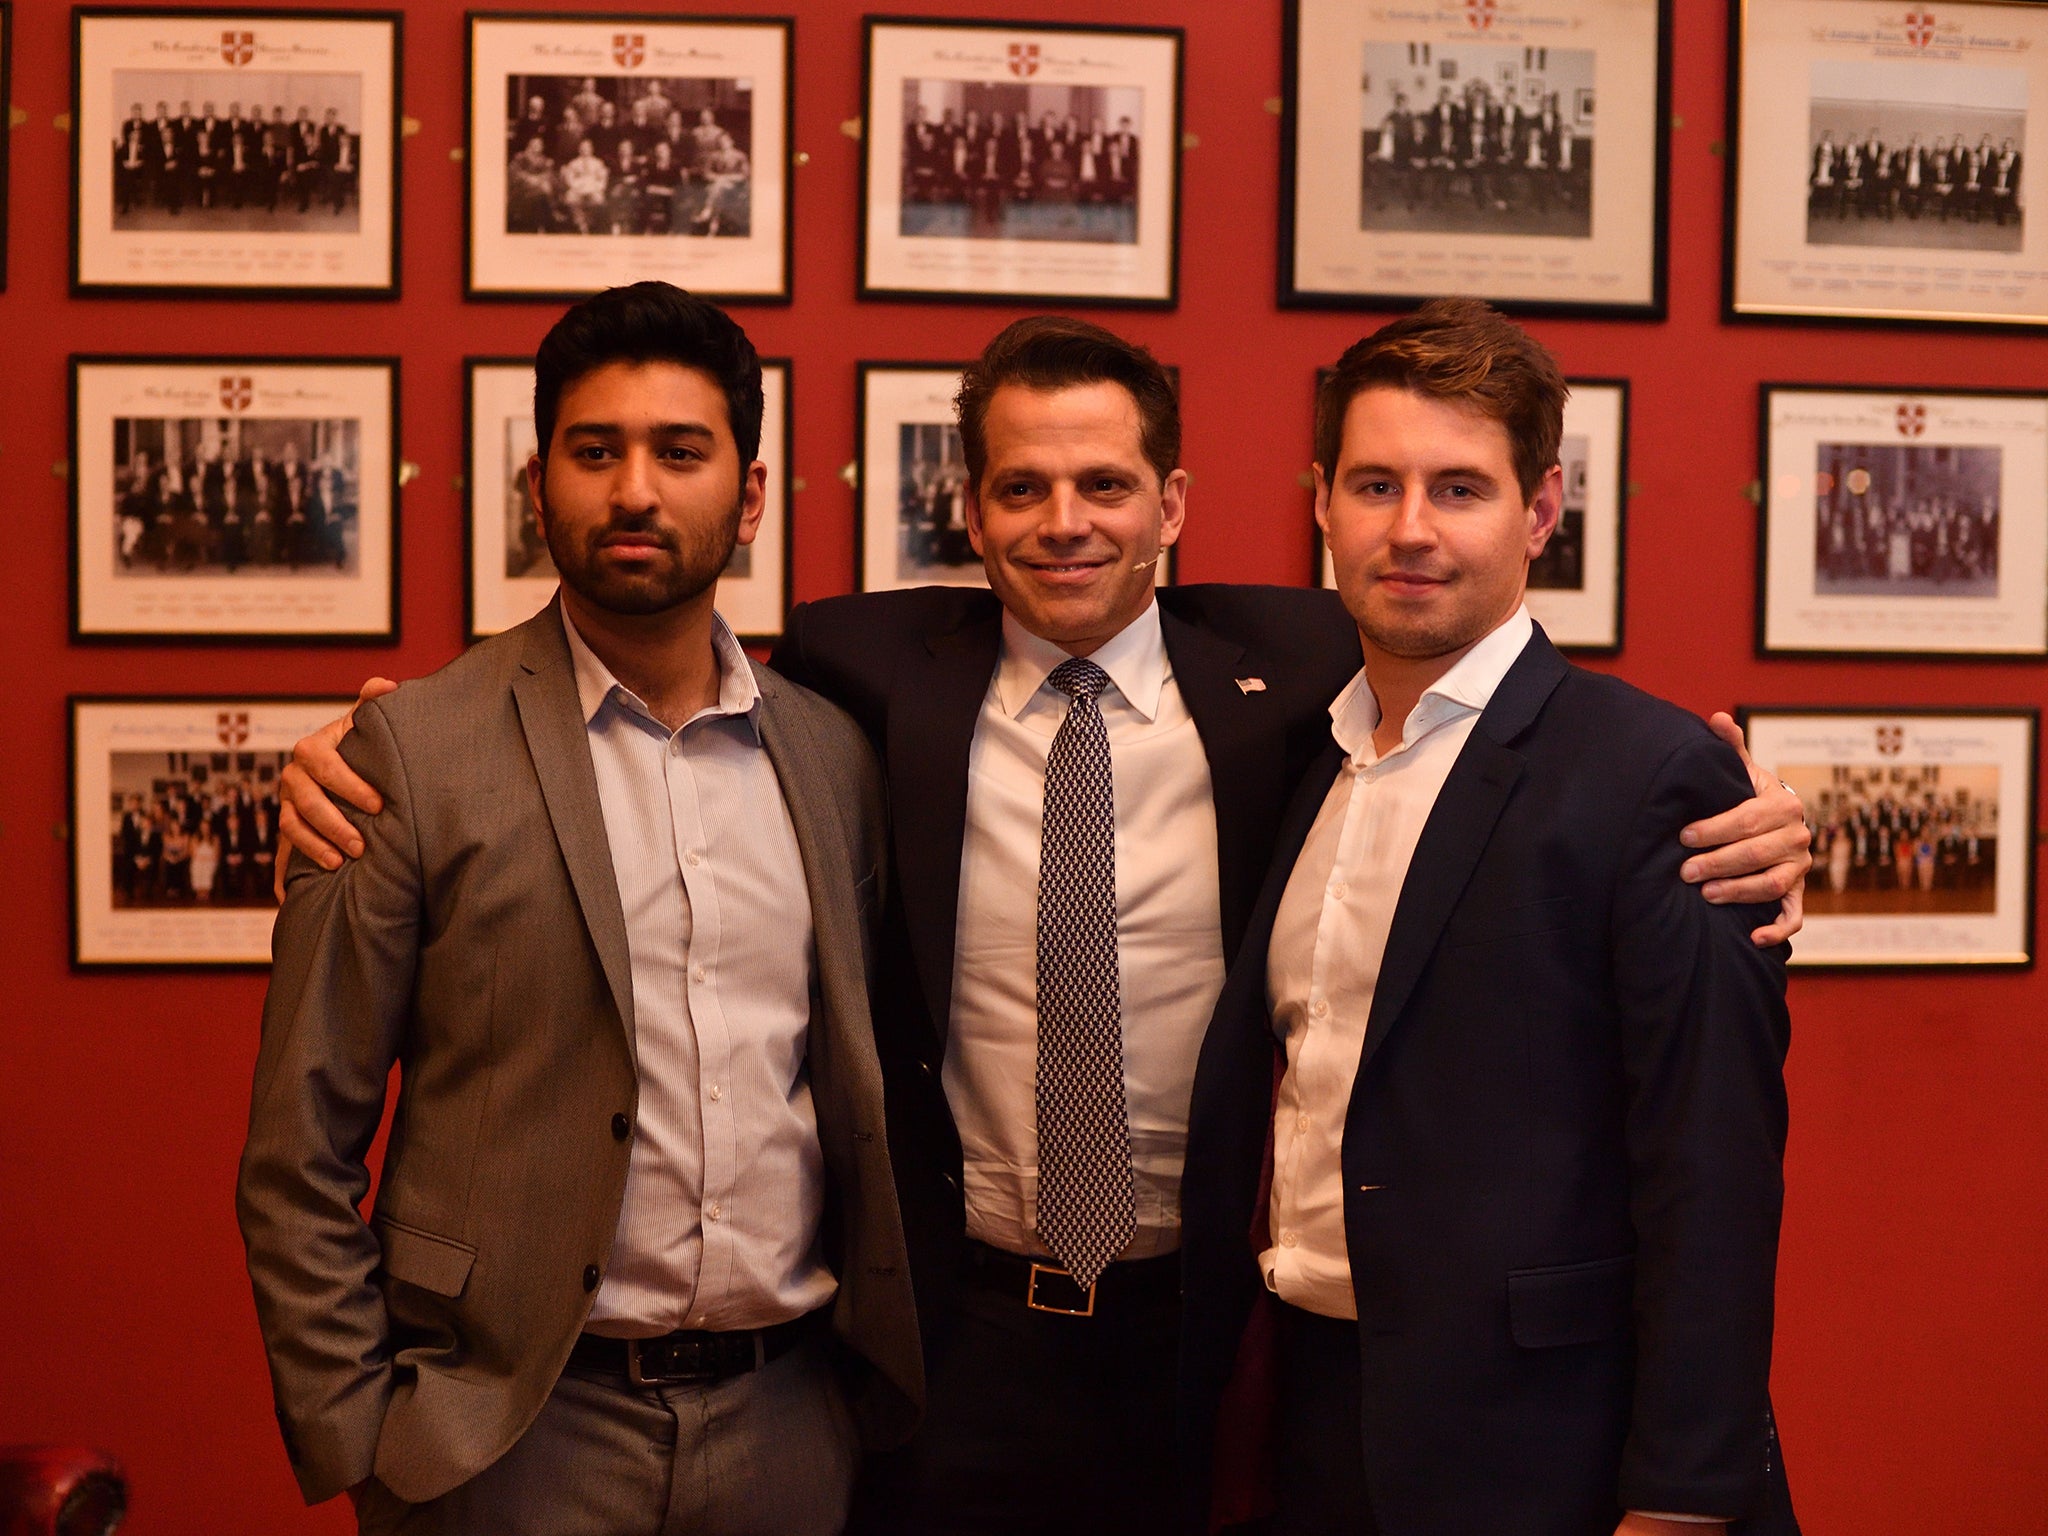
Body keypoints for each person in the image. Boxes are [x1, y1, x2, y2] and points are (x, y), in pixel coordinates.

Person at [277, 311, 1808, 1536]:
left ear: (1179, 506)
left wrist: (1736, 804)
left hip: (1213, 1341)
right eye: (1020, 486)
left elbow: (1515, 725)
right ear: (968, 506)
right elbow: (609, 651)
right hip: (957, 1342)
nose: (1065, 523)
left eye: (1106, 486)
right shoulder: (864, 681)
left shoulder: (1290, 681)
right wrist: (371, 746)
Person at [237, 283, 922, 1536]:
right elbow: (297, 1150)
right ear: (537, 483)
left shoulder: (834, 761)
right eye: (593, 451)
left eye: (680, 451)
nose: (635, 491)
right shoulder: (409, 754)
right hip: (509, 1438)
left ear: (751, 496)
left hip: (791, 1428)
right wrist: (368, 1442)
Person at [1180, 299, 1798, 1536]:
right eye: (1373, 485)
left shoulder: (1648, 775)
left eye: (1458, 489)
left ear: (1541, 511)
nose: (1408, 530)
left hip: (1543, 1447)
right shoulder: (1299, 753)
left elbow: (1712, 1168)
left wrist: (1681, 1498)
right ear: (1319, 502)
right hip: (1308, 1412)